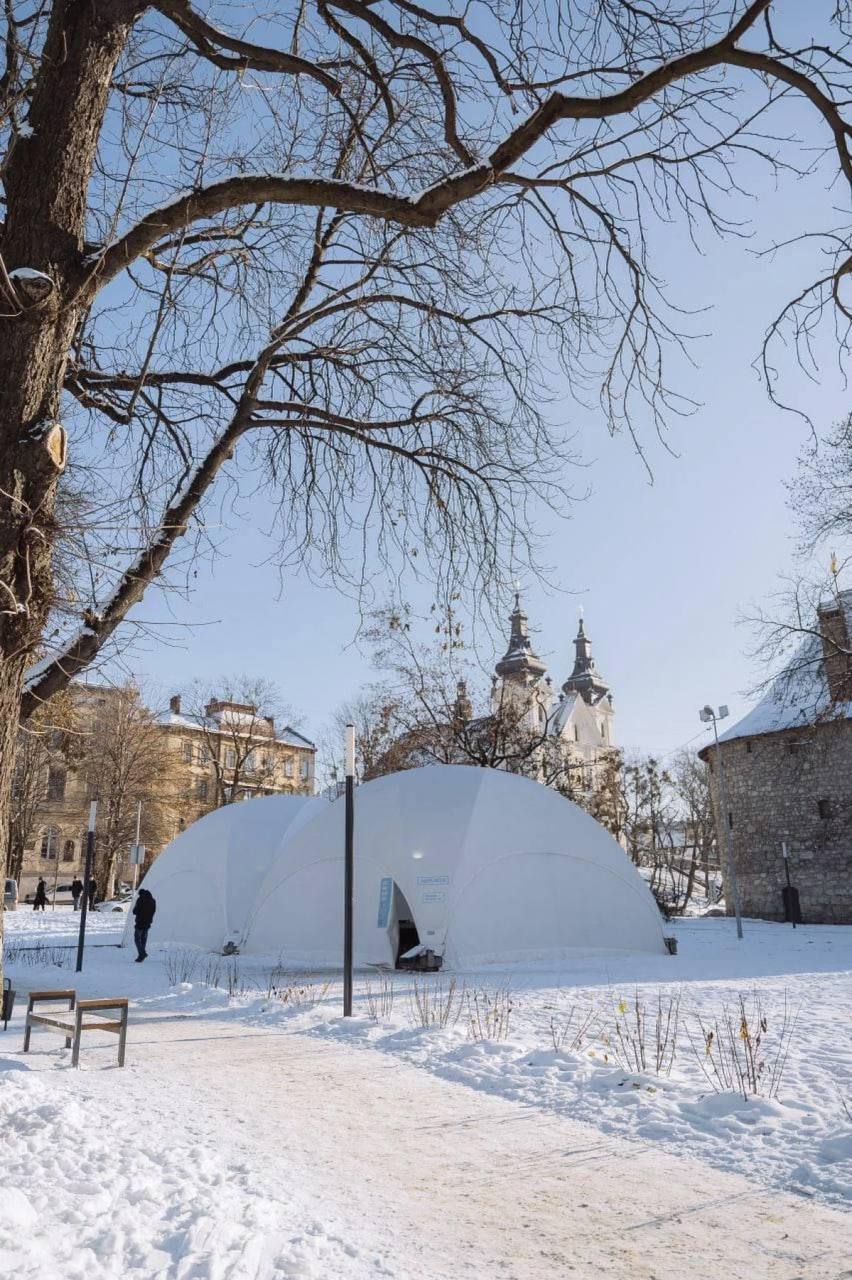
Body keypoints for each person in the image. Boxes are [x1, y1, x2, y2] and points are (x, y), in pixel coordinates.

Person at [132, 888, 156, 963]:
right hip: (148, 922)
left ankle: (142, 953)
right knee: (143, 939)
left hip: (140, 922)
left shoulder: (140, 899)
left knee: (137, 939)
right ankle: (141, 956)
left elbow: (135, 911)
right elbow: (153, 911)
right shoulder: (153, 900)